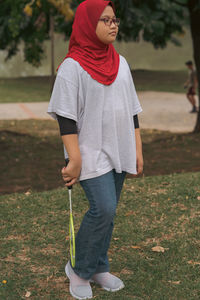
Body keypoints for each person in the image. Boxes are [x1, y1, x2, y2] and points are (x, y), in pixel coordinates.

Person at [48, 0, 143, 299]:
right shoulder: (71, 67)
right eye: (105, 20)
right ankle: (78, 269)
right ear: (89, 24)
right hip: (88, 152)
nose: (113, 25)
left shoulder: (121, 62)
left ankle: (99, 265)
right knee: (103, 209)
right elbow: (66, 117)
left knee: (109, 213)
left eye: (115, 19)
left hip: (120, 147)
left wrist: (138, 150)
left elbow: (133, 111)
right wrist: (73, 158)